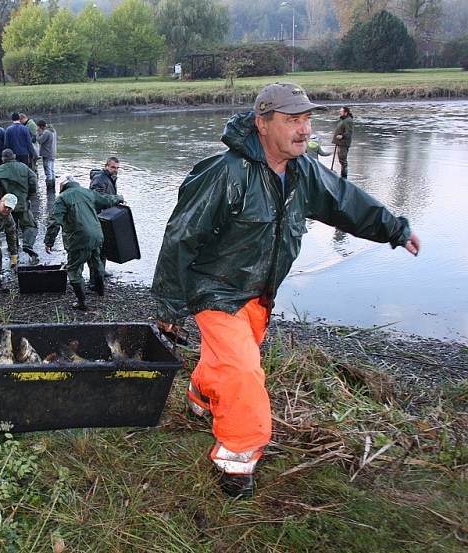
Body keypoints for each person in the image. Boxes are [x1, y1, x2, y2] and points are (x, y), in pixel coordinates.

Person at [151, 82, 420, 500]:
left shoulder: (303, 173)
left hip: (260, 293)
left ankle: (201, 394)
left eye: (308, 119)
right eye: (292, 120)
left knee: (228, 363)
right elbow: (180, 236)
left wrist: (394, 228)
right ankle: (237, 461)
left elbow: (346, 202)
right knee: (243, 374)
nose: (304, 130)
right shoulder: (226, 174)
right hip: (215, 291)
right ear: (262, 123)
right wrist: (169, 303)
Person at [44, 175, 124, 310]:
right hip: (97, 234)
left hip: (78, 238)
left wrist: (49, 241)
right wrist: (120, 198)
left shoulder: (62, 199)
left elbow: (54, 222)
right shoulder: (87, 192)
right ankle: (100, 292)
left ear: (63, 185)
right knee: (96, 262)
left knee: (74, 268)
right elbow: (106, 200)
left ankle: (82, 302)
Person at [0, 149, 40, 264]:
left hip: (7, 205)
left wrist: (0, 196)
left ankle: (14, 250)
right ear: (14, 156)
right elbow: (33, 179)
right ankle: (28, 245)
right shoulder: (23, 167)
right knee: (30, 226)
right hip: (22, 203)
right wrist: (30, 194)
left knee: (10, 228)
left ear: (3, 158)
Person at [89, 156, 121, 275]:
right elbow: (97, 198)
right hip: (98, 216)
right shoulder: (100, 179)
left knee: (104, 245)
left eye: (117, 168)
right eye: (113, 167)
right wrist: (116, 199)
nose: (115, 170)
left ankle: (101, 270)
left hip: (105, 215)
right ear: (106, 166)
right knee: (97, 247)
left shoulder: (110, 178)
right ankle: (96, 276)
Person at [332, 105, 354, 178]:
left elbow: (349, 132)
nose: (339, 112)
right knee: (341, 160)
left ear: (346, 113)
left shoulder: (348, 121)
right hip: (340, 143)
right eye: (340, 111)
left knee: (343, 161)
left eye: (341, 111)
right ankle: (343, 176)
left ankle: (344, 177)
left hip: (343, 143)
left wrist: (342, 136)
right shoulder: (343, 119)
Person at [36, 119, 57, 189]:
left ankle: (50, 187)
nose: (37, 128)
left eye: (38, 126)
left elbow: (40, 141)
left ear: (41, 126)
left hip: (47, 154)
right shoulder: (53, 131)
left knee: (48, 171)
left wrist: (37, 133)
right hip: (52, 153)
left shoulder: (46, 132)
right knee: (52, 170)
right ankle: (53, 186)